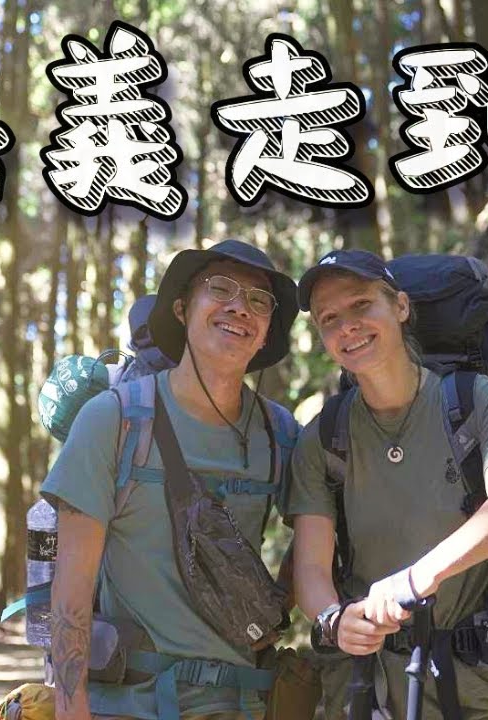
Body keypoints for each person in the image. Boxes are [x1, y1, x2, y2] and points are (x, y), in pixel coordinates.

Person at [42, 239, 299, 720]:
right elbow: (71, 591)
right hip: (129, 707)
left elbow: (321, 531)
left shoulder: (281, 434)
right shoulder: (114, 421)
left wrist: (275, 605)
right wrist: (70, 710)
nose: (239, 306)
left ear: (267, 332)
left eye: (258, 299)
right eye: (219, 288)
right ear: (182, 309)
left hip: (243, 706)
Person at [286, 250, 488, 720]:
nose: (348, 326)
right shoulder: (324, 438)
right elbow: (311, 567)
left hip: (480, 690)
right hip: (371, 690)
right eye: (329, 318)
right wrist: (333, 620)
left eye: (361, 305)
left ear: (400, 307)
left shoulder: (478, 401)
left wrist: (417, 578)